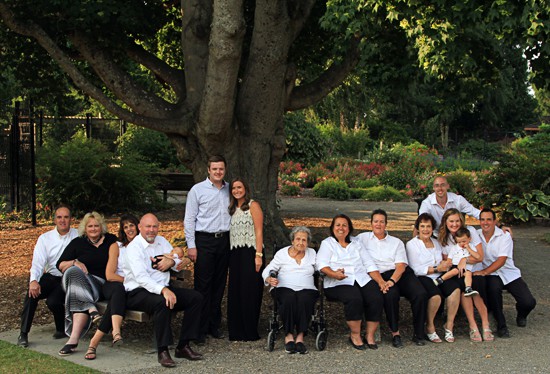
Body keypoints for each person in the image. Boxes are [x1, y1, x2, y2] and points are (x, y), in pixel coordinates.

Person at [123, 213, 203, 368]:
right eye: (148, 226)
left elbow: (177, 261)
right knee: (162, 302)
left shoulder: (161, 242)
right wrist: (163, 290)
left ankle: (183, 346)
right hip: (137, 292)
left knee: (196, 298)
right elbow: (141, 278)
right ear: (140, 227)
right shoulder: (134, 247)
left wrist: (171, 260)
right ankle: (163, 350)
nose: (151, 230)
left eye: (154, 226)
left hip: (162, 289)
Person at [357, 209, 428, 347]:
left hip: (398, 273)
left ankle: (419, 333)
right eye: (376, 221)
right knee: (391, 295)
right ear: (371, 223)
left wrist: (391, 281)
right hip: (377, 274)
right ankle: (395, 333)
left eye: (382, 222)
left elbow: (401, 266)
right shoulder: (361, 239)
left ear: (386, 224)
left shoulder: (396, 242)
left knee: (420, 294)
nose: (378, 224)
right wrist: (383, 282)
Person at [317, 214, 385, 350]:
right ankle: (355, 334)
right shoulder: (328, 243)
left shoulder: (356, 242)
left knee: (375, 296)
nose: (341, 228)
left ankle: (370, 335)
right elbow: (321, 265)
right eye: (338, 225)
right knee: (354, 298)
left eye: (344, 225)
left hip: (361, 279)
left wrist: (381, 281)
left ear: (349, 228)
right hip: (337, 282)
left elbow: (369, 264)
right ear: (332, 227)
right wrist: (334, 274)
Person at [55, 211, 118, 355]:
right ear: (85, 228)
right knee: (72, 271)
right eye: (90, 226)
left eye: (96, 225)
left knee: (76, 292)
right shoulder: (78, 242)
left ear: (101, 227)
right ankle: (91, 308)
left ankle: (73, 340)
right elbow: (60, 265)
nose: (93, 229)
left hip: (99, 285)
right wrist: (74, 262)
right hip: (76, 281)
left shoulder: (110, 240)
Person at [184, 155, 231, 343]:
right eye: (215, 169)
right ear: (208, 170)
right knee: (203, 286)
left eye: (221, 169)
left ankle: (214, 325)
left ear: (225, 170)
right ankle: (199, 329)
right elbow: (189, 219)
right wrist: (191, 245)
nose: (218, 172)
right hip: (204, 241)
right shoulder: (197, 190)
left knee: (219, 285)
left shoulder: (230, 189)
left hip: (224, 240)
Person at [17, 205, 78, 347]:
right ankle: (23, 334)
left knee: (53, 302)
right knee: (32, 294)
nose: (63, 220)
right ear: (54, 220)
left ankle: (61, 328)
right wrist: (33, 281)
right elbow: (38, 263)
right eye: (59, 217)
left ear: (71, 219)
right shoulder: (45, 238)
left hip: (68, 278)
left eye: (66, 217)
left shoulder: (78, 236)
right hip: (50, 276)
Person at [84, 214, 139, 360]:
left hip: (130, 290)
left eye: (131, 225)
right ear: (122, 230)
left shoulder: (143, 245)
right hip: (113, 284)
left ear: (138, 226)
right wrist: (128, 281)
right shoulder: (117, 246)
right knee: (118, 291)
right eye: (125, 227)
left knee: (117, 301)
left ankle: (95, 342)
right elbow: (109, 275)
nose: (129, 229)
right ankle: (115, 331)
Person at [475, 208, 536, 338]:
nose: (485, 223)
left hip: (507, 272)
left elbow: (501, 260)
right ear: (479, 221)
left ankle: (521, 314)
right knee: (494, 291)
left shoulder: (504, 236)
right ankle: (501, 325)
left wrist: (484, 272)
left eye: (489, 219)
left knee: (528, 302)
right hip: (492, 275)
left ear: (495, 221)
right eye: (482, 219)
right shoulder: (476, 234)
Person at [439, 208, 494, 342]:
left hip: (474, 270)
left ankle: (486, 324)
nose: (454, 224)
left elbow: (480, 257)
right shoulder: (444, 238)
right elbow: (448, 261)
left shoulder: (469, 232)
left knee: (475, 287)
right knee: (463, 289)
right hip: (457, 272)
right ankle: (473, 325)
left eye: (457, 221)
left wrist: (465, 260)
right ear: (445, 222)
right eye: (451, 221)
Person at [406, 213, 461, 343]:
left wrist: (445, 264)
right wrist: (436, 269)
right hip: (423, 276)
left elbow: (444, 259)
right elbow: (415, 269)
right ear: (417, 228)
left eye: (428, 226)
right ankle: (430, 326)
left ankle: (449, 326)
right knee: (435, 297)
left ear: (432, 228)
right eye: (422, 226)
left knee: (455, 290)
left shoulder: (436, 242)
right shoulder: (412, 244)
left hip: (440, 274)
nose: (425, 229)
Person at [263, 226, 317, 354]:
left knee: (304, 298)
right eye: (298, 239)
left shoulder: (312, 253)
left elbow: (321, 267)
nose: (301, 242)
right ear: (292, 241)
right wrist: (269, 278)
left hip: (307, 288)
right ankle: (288, 336)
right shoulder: (282, 253)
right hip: (283, 287)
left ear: (308, 243)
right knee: (289, 298)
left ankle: (300, 337)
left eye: (304, 240)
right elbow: (268, 269)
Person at [227, 178, 264, 341]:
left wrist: (258, 255)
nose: (236, 190)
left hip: (251, 253)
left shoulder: (253, 205)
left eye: (239, 187)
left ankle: (249, 330)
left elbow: (259, 231)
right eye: (234, 188)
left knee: (250, 290)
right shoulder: (231, 208)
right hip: (235, 254)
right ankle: (236, 331)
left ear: (245, 188)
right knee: (236, 290)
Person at [433, 227, 481, 298]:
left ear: (469, 239)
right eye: (459, 242)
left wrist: (469, 249)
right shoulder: (455, 248)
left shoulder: (471, 247)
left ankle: (468, 289)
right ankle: (440, 279)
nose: (461, 244)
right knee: (455, 271)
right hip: (455, 266)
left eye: (464, 241)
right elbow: (450, 258)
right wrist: (448, 263)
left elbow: (477, 256)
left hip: (465, 268)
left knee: (468, 274)